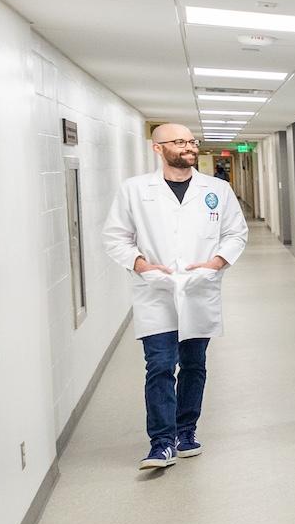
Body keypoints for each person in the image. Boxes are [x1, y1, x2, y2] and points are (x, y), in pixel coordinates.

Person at [102, 124, 249, 471]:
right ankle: (161, 442)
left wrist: (214, 263)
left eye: (191, 141)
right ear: (158, 148)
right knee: (160, 366)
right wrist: (142, 265)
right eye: (180, 142)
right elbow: (115, 237)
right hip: (155, 291)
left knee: (194, 365)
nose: (189, 147)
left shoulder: (217, 189)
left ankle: (186, 431)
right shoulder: (135, 190)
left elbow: (235, 233)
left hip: (200, 289)